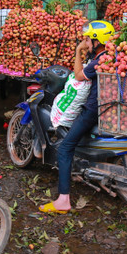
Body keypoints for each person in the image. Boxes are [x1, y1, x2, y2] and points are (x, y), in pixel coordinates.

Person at [39, 20, 114, 214]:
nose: (86, 41)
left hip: (92, 110)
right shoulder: (110, 56)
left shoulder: (99, 61)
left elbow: (78, 75)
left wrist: (78, 50)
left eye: (89, 39)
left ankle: (63, 200)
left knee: (64, 149)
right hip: (106, 106)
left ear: (97, 41)